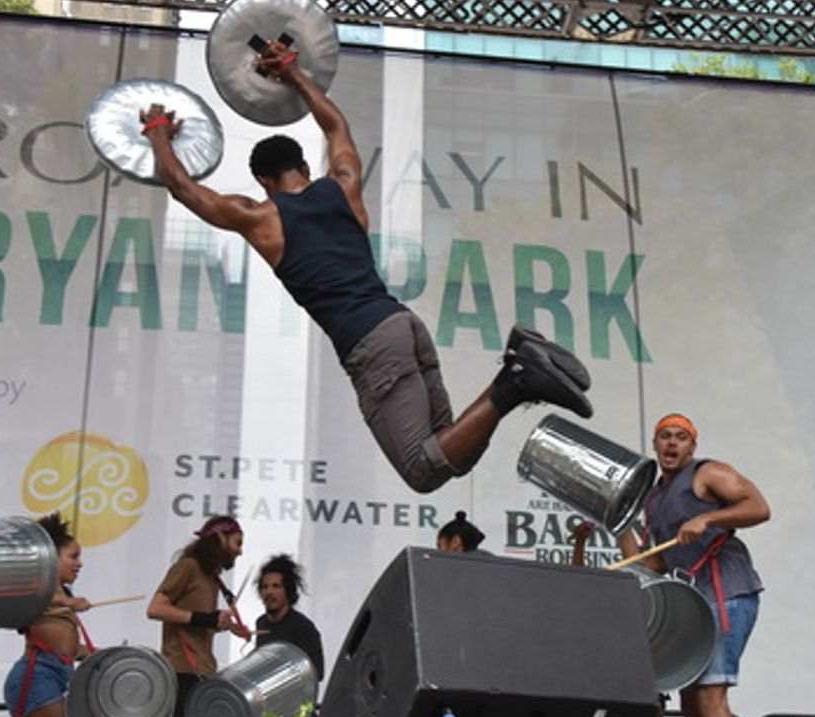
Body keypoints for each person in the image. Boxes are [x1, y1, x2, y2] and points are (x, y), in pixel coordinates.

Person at [140, 40, 592, 495]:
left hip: (370, 343)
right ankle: (519, 367)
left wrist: (158, 130)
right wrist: (293, 74)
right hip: (402, 323)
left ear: (262, 180)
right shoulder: (344, 184)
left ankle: (516, 381)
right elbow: (335, 124)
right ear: (304, 166)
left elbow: (183, 188)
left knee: (422, 470)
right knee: (449, 453)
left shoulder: (262, 219)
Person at [618, 413, 769, 717]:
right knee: (689, 701)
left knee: (708, 695)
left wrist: (709, 519)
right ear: (656, 444)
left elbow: (758, 508)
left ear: (692, 445)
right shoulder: (654, 496)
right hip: (695, 601)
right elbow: (649, 564)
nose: (672, 442)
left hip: (726, 590)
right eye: (665, 436)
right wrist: (615, 524)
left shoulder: (707, 472)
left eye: (680, 437)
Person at [146, 515, 251, 717]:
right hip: (182, 670)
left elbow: (193, 619)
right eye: (237, 543)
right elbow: (156, 608)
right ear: (220, 538)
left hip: (201, 670)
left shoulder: (210, 576)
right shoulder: (188, 567)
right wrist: (207, 619)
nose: (240, 551)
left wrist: (227, 625)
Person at [3, 513, 92, 717]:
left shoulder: (60, 593)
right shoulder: (37, 588)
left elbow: (67, 648)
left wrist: (101, 655)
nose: (79, 564)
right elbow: (36, 598)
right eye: (74, 557)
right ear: (51, 556)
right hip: (37, 676)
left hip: (59, 674)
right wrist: (68, 602)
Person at [254, 554, 324, 684]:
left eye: (276, 586)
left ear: (288, 590)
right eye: (265, 586)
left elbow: (317, 673)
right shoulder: (261, 623)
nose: (269, 592)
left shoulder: (303, 627)